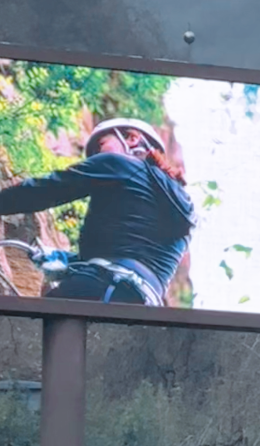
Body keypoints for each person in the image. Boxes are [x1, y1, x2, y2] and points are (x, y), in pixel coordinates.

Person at [0, 117, 194, 305]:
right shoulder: (185, 207)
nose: (96, 157)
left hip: (97, 289)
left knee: (33, 333)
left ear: (132, 139)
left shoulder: (120, 164)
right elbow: (130, 257)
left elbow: (47, 190)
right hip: (145, 312)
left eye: (101, 145)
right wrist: (65, 259)